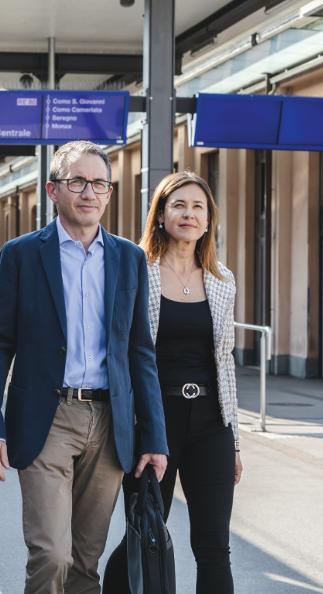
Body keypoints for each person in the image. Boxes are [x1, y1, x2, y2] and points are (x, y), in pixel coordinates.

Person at [0, 140, 168, 594]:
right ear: (52, 190)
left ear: (109, 192)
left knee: (85, 563)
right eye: (77, 181)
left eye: (99, 183)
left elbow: (140, 351)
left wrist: (154, 436)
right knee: (51, 555)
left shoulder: (129, 258)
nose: (89, 192)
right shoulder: (21, 255)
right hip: (48, 418)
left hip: (109, 424)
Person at [103, 171, 243, 594]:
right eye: (179, 205)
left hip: (210, 422)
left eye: (198, 207)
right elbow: (124, 353)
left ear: (208, 220)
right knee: (143, 530)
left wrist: (234, 440)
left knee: (214, 543)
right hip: (154, 422)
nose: (189, 214)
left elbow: (225, 361)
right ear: (161, 216)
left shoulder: (222, 280)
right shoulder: (136, 270)